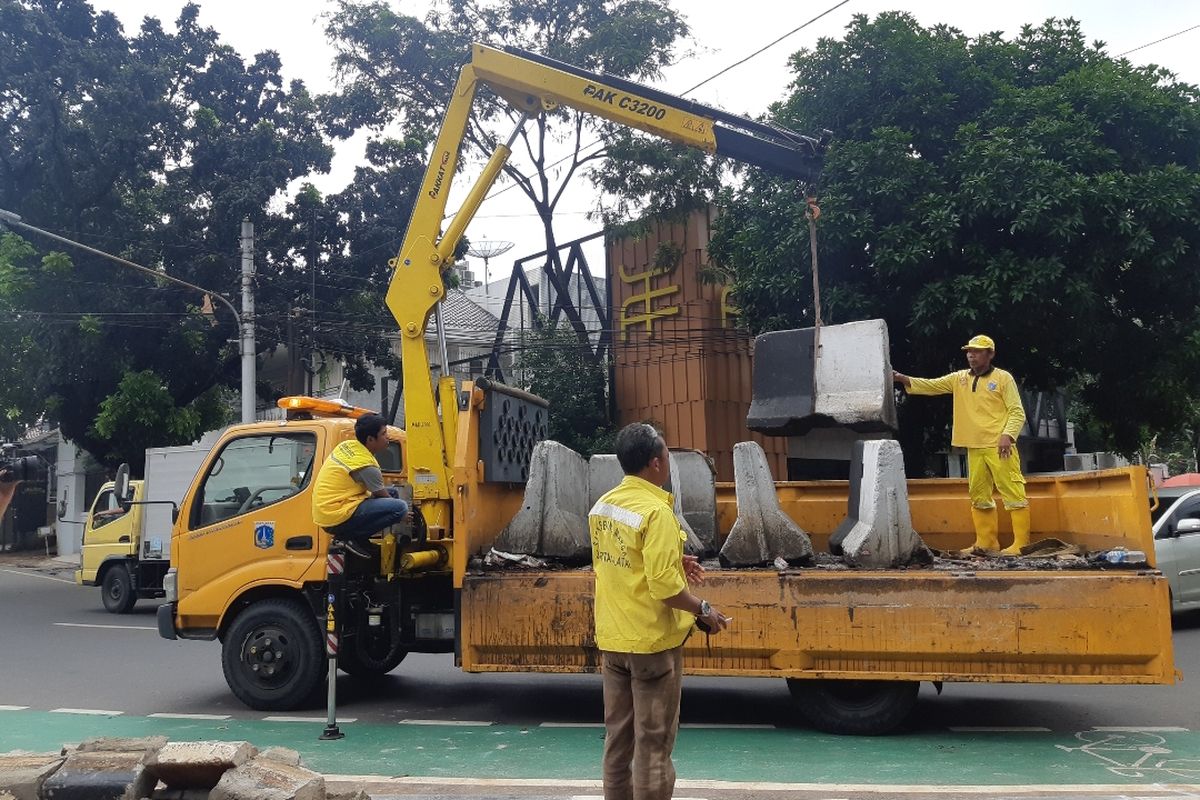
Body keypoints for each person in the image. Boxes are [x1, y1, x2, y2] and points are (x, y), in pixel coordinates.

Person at [589, 422, 729, 800]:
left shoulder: (602, 507)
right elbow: (665, 589)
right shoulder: (656, 512)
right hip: (651, 645)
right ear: (655, 463)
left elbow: (622, 562)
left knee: (618, 742)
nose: (669, 460)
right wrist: (705, 610)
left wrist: (671, 560)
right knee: (653, 747)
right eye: (667, 453)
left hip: (614, 640)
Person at [893, 334, 1030, 556]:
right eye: (969, 351)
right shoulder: (959, 379)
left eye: (976, 351)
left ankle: (1021, 544)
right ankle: (986, 542)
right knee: (978, 494)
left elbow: (1016, 411)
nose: (971, 355)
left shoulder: (1004, 378)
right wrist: (902, 378)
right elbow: (932, 385)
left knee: (1012, 491)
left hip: (999, 446)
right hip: (974, 446)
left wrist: (1008, 435)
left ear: (990, 354)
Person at [312, 413, 412, 559]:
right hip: (335, 514)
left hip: (330, 507)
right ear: (370, 439)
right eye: (383, 434)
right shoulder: (367, 465)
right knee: (400, 507)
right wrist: (403, 516)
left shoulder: (347, 446)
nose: (388, 437)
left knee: (394, 494)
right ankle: (349, 537)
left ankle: (359, 539)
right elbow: (382, 496)